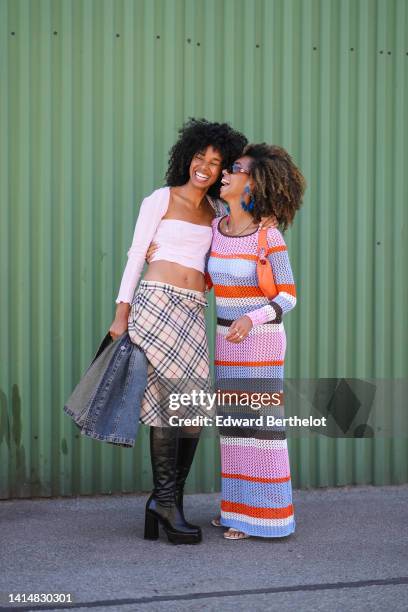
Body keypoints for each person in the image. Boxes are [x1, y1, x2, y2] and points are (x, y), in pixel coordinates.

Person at [109, 118, 248, 544]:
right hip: (155, 303)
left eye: (215, 161)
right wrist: (121, 314)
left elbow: (221, 260)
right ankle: (167, 503)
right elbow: (136, 254)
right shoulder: (160, 199)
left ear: (223, 169)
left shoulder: (218, 213)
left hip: (192, 312)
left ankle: (166, 500)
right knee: (170, 403)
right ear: (187, 157)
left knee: (192, 408)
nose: (204, 166)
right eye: (199, 157)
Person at [207, 143, 305, 540]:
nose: (225, 173)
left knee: (260, 430)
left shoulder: (269, 236)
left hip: (260, 341)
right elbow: (206, 280)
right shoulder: (216, 229)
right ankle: (236, 509)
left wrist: (252, 317)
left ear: (254, 182)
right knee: (233, 426)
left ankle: (266, 516)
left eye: (235, 168)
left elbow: (288, 296)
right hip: (225, 339)